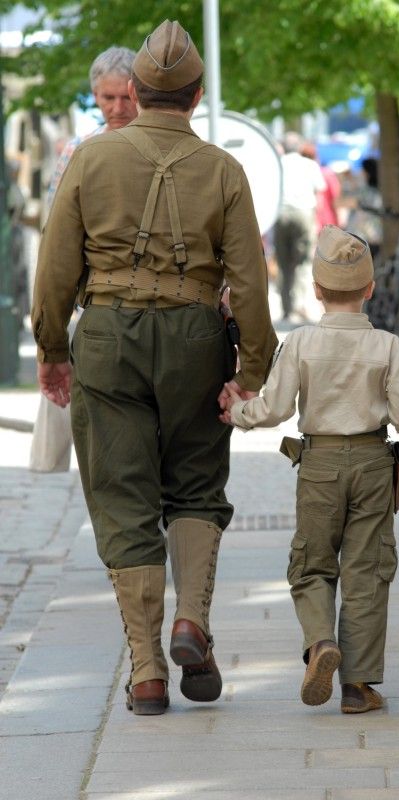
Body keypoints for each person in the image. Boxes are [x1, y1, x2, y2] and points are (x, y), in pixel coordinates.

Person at [31, 19, 277, 716]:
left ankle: (145, 673)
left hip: (109, 336)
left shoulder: (90, 160)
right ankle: (190, 620)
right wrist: (253, 370)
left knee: (123, 495)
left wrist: (52, 350)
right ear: (196, 97)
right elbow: (250, 282)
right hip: (197, 337)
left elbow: (54, 267)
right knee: (195, 483)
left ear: (134, 93)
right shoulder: (224, 170)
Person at [220, 225, 399, 714]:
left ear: (315, 289)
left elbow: (273, 408)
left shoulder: (301, 342)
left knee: (311, 563)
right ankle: (357, 687)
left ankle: (320, 642)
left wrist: (236, 412)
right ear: (369, 288)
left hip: (319, 464)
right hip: (373, 464)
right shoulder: (389, 346)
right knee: (367, 570)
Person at [30, 46, 137, 474]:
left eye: (126, 96)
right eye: (108, 98)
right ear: (95, 96)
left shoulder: (163, 146)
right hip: (96, 305)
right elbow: (56, 239)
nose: (118, 107)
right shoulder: (78, 150)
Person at [273, 131, 325, 321]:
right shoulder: (310, 165)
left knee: (283, 263)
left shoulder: (277, 164)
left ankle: (287, 308)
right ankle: (300, 305)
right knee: (302, 262)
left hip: (280, 214)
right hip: (303, 214)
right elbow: (319, 193)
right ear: (300, 147)